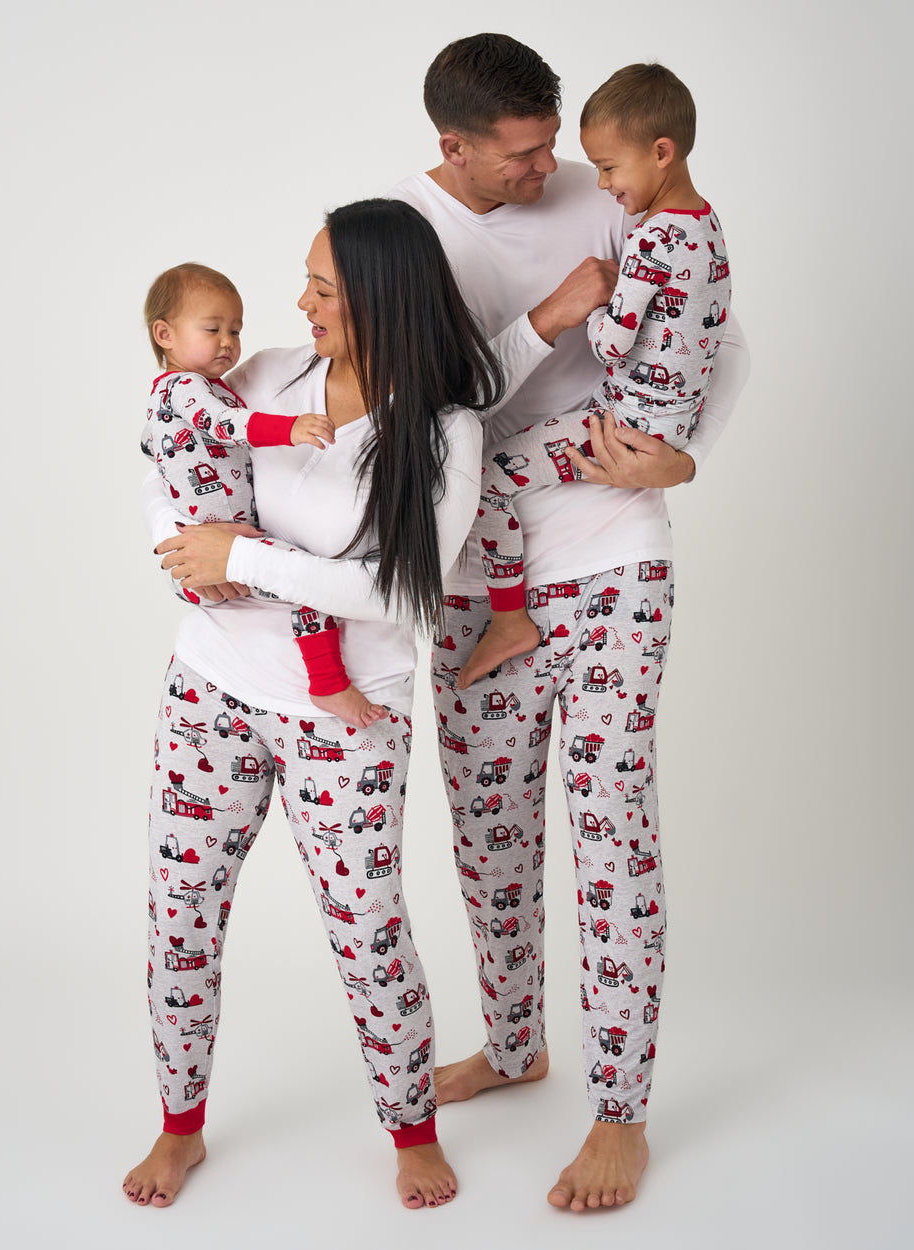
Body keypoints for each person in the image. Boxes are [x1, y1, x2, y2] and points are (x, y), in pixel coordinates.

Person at [124, 197, 590, 1210]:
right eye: (306, 281)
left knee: (365, 920)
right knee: (179, 915)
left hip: (349, 714)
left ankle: (410, 1127)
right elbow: (173, 451)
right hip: (213, 684)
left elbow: (394, 587)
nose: (298, 303)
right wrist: (180, 552)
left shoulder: (439, 429)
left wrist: (239, 555)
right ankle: (179, 1123)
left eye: (323, 288)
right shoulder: (267, 373)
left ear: (382, 296)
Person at [386, 33, 749, 1211]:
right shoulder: (400, 237)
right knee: (490, 834)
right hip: (478, 580)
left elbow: (710, 333)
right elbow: (426, 410)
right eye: (525, 154)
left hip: (607, 559)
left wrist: (681, 461)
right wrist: (546, 318)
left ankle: (621, 1111)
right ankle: (511, 1042)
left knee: (608, 834)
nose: (553, 172)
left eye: (559, 145)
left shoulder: (610, 189)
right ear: (455, 148)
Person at [460, 62, 733, 687]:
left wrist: (594, 303)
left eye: (609, 167)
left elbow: (612, 345)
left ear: (661, 152)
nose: (602, 183)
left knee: (487, 478)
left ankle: (508, 620)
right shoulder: (706, 224)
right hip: (667, 420)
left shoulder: (649, 238)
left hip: (623, 426)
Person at [142, 261, 387, 729]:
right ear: (164, 334)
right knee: (308, 582)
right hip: (207, 556)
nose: (227, 342)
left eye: (234, 330)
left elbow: (149, 445)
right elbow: (223, 426)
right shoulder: (187, 388)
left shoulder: (182, 391)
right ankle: (329, 682)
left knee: (300, 576)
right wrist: (288, 428)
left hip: (211, 555)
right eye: (211, 329)